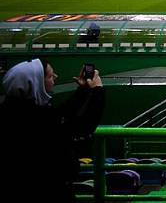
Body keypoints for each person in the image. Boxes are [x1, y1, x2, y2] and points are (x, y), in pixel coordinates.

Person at [0, 58, 105, 202]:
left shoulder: (16, 111)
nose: (55, 77)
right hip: (49, 190)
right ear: (35, 83)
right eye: (50, 75)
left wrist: (82, 90)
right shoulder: (35, 119)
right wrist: (98, 91)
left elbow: (61, 114)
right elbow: (82, 126)